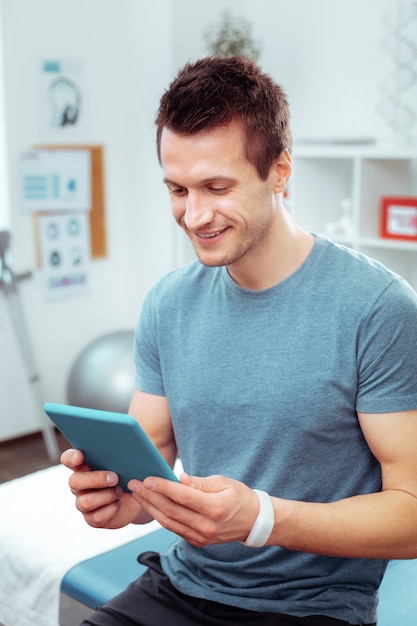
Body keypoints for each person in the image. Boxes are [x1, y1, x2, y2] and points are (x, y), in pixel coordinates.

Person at [61, 56, 417, 626]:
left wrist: (263, 519)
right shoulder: (167, 303)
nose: (194, 215)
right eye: (177, 188)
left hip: (312, 609)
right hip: (184, 585)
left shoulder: (378, 308)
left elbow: (412, 513)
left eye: (216, 187)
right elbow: (147, 459)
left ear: (279, 171)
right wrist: (123, 499)